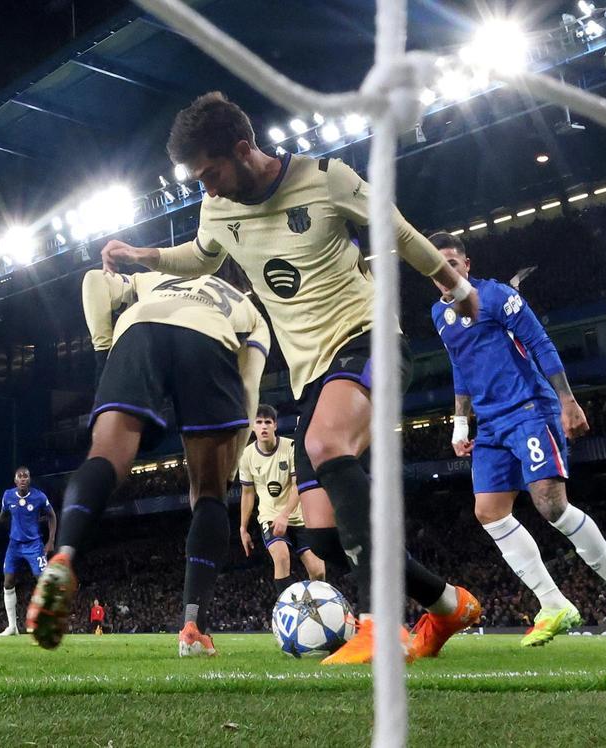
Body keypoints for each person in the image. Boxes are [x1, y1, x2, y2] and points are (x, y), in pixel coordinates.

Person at [100, 91, 481, 664]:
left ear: (243, 147)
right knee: (323, 534)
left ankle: (380, 626)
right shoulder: (217, 212)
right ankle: (450, 603)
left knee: (326, 444)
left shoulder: (325, 179)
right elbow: (202, 257)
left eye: (211, 173)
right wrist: (145, 256)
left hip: (368, 339)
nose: (207, 188)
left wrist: (456, 285)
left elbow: (395, 229)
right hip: (311, 375)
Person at [27, 268, 270, 657]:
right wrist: (233, 454)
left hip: (139, 329)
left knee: (105, 454)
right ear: (245, 284)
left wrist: (103, 356)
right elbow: (248, 386)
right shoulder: (249, 311)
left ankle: (64, 555)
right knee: (208, 493)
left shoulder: (155, 277)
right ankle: (193, 626)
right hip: (210, 338)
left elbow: (92, 280)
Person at [427, 231, 606, 646]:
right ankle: (553, 604)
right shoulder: (440, 316)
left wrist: (566, 400)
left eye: (452, 263)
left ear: (466, 265)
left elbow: (539, 342)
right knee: (489, 512)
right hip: (491, 425)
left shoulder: (496, 298)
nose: (445, 272)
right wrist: (461, 424)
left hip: (530, 409)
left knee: (551, 505)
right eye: (437, 266)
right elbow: (460, 366)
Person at [238, 404, 326, 596]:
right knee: (281, 557)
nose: (263, 427)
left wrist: (285, 515)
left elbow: (297, 485)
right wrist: (243, 528)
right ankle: (286, 612)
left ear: (275, 426)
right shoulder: (246, 456)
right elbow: (247, 493)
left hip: (298, 516)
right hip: (269, 517)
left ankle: (319, 612)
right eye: (259, 422)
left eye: (267, 422)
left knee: (318, 570)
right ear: (253, 427)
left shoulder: (290, 447)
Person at [0, 466, 56, 636]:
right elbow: (3, 514)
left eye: (26, 476)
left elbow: (52, 515)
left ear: (29, 480)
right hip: (14, 545)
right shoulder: (8, 495)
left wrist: (50, 541)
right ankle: (12, 627)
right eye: (19, 476)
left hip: (34, 545)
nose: (23, 479)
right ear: (15, 480)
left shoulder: (39, 497)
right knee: (8, 582)